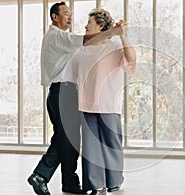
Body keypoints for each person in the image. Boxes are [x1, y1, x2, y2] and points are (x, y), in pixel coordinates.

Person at [27, 2, 121, 195]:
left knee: (66, 139)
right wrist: (114, 32)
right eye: (66, 13)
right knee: (67, 140)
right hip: (63, 92)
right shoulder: (58, 36)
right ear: (55, 17)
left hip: (65, 93)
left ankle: (69, 183)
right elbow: (86, 40)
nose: (70, 17)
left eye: (71, 14)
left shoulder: (61, 40)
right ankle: (40, 175)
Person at [74, 8, 136, 195]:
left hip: (108, 103)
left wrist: (123, 36)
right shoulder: (83, 49)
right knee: (91, 148)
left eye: (89, 23)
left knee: (111, 144)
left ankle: (114, 181)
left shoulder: (113, 46)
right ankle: (96, 185)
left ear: (100, 26)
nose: (85, 26)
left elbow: (132, 61)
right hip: (87, 103)